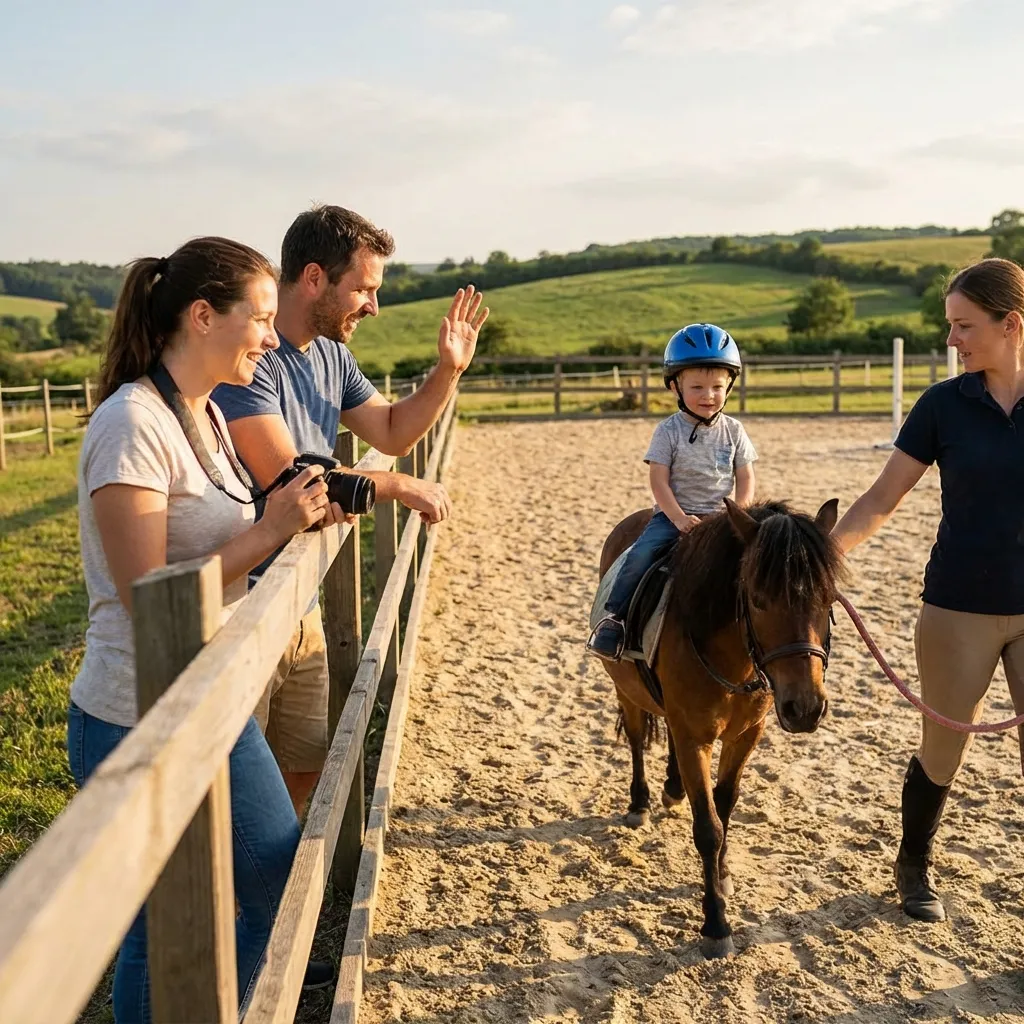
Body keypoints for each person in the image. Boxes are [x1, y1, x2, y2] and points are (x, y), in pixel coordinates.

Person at [66, 236, 335, 1023]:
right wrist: (270, 528)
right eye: (257, 317)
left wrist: (301, 511)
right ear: (202, 316)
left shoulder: (209, 413)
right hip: (135, 711)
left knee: (231, 893)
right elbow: (146, 590)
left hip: (208, 694)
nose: (269, 334)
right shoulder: (131, 425)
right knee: (198, 905)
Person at [213, 204, 488, 814]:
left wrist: (448, 371)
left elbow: (391, 432)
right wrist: (397, 487)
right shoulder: (249, 361)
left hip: (299, 596)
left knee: (303, 768)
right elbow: (289, 478)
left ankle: (275, 899)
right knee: (238, 794)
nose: (373, 305)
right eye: (363, 288)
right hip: (243, 604)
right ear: (315, 278)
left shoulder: (330, 356)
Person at [832, 257, 1024, 924]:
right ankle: (914, 864)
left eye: (964, 326)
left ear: (1012, 326)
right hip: (956, 609)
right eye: (950, 326)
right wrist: (824, 558)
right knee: (943, 750)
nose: (952, 340)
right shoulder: (943, 406)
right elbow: (882, 499)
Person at [587, 323, 757, 661]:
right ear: (674, 387)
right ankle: (615, 620)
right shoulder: (668, 432)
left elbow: (746, 476)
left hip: (722, 518)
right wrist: (678, 519)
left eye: (717, 387)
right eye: (697, 387)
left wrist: (739, 514)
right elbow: (659, 481)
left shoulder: (735, 431)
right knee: (639, 557)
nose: (708, 395)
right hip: (674, 516)